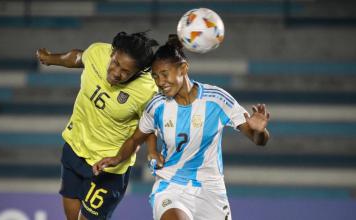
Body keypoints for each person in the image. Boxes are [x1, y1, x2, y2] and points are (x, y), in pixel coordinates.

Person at [93, 35, 270, 220]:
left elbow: (258, 140)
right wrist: (116, 158)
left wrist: (259, 131)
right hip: (171, 186)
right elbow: (135, 139)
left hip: (210, 190)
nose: (160, 81)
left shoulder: (216, 99)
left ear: (183, 68)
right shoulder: (156, 106)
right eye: (155, 76)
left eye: (164, 73)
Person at [36, 31, 159, 220]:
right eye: (116, 63)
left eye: (126, 72)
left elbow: (148, 128)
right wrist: (50, 58)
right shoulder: (98, 52)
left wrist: (148, 151)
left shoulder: (146, 91)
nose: (117, 73)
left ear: (138, 72)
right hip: (75, 148)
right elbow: (78, 58)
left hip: (108, 166)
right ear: (113, 53)